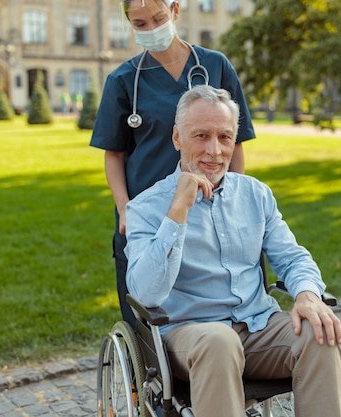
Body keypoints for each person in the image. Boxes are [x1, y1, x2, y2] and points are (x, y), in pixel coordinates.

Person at [124, 85, 341, 417]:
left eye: (224, 137)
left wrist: (307, 293)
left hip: (257, 326)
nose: (214, 150)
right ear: (177, 138)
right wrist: (178, 212)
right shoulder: (145, 207)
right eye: (201, 136)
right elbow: (145, 292)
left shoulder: (256, 195)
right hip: (190, 333)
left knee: (320, 332)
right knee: (219, 341)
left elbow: (292, 256)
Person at [89, 0, 255, 326]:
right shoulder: (123, 80)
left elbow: (233, 142)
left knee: (220, 308)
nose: (151, 29)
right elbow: (114, 154)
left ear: (175, 10)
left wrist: (236, 198)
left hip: (209, 209)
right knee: (149, 314)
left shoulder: (215, 67)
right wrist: (124, 209)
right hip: (148, 216)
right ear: (129, 24)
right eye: (140, 24)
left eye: (158, 18)